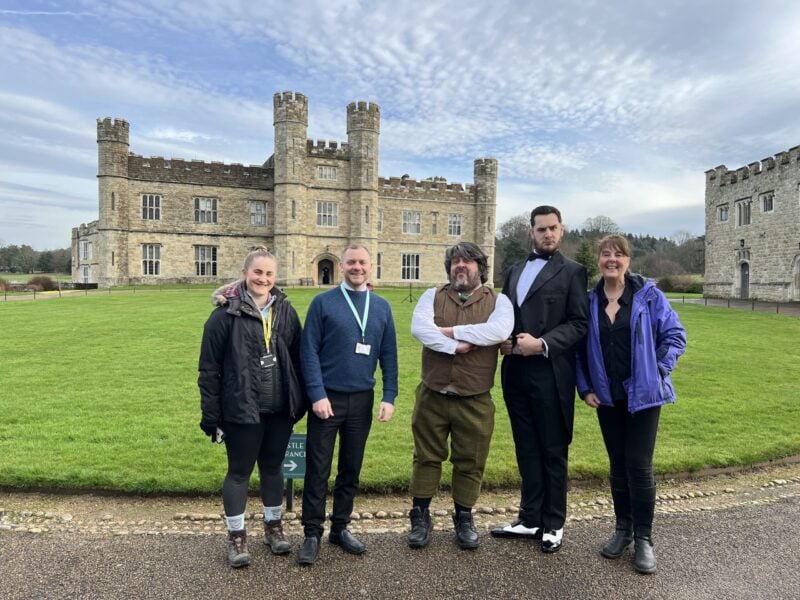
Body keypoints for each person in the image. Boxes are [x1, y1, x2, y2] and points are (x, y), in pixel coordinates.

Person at [576, 234, 686, 574]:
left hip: (644, 396)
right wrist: (585, 388)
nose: (612, 259)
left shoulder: (648, 297)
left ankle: (644, 539)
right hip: (608, 397)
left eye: (618, 254)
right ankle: (622, 529)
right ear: (599, 260)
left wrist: (659, 369)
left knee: (639, 465)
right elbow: (579, 351)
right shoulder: (589, 301)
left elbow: (675, 335)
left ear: (628, 261)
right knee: (618, 464)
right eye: (606, 254)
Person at [198, 246, 306, 568]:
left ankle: (273, 528)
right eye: (258, 272)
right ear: (246, 273)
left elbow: (298, 359)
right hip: (242, 409)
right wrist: (211, 416)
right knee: (239, 473)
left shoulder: (285, 311)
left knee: (272, 469)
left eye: (269, 273)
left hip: (279, 409)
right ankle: (236, 536)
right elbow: (208, 370)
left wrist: (298, 402)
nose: (263, 278)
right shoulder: (223, 315)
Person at [490, 205, 588, 553]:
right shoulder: (514, 270)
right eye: (541, 229)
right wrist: (503, 338)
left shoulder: (574, 272)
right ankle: (529, 518)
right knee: (526, 448)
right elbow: (505, 316)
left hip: (549, 373)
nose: (547, 234)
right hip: (515, 372)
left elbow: (579, 323)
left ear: (561, 231)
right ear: (531, 232)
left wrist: (543, 344)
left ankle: (553, 522)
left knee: (552, 449)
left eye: (553, 228)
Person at [407, 242, 513, 550]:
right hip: (433, 394)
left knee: (471, 460)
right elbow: (420, 329)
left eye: (467, 261)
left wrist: (448, 331)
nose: (460, 266)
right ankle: (420, 515)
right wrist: (457, 345)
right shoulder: (432, 295)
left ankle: (464, 517)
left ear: (480, 266)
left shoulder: (499, 301)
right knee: (426, 456)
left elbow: (497, 331)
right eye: (455, 261)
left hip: (475, 399)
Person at [297, 244, 398, 566]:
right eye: (351, 262)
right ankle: (312, 532)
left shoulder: (381, 306)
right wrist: (316, 394)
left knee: (350, 468)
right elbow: (308, 351)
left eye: (363, 262)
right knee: (318, 469)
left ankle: (340, 528)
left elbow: (389, 355)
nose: (357, 267)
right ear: (342, 266)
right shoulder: (323, 302)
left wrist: (389, 395)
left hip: (362, 399)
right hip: (328, 398)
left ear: (371, 266)